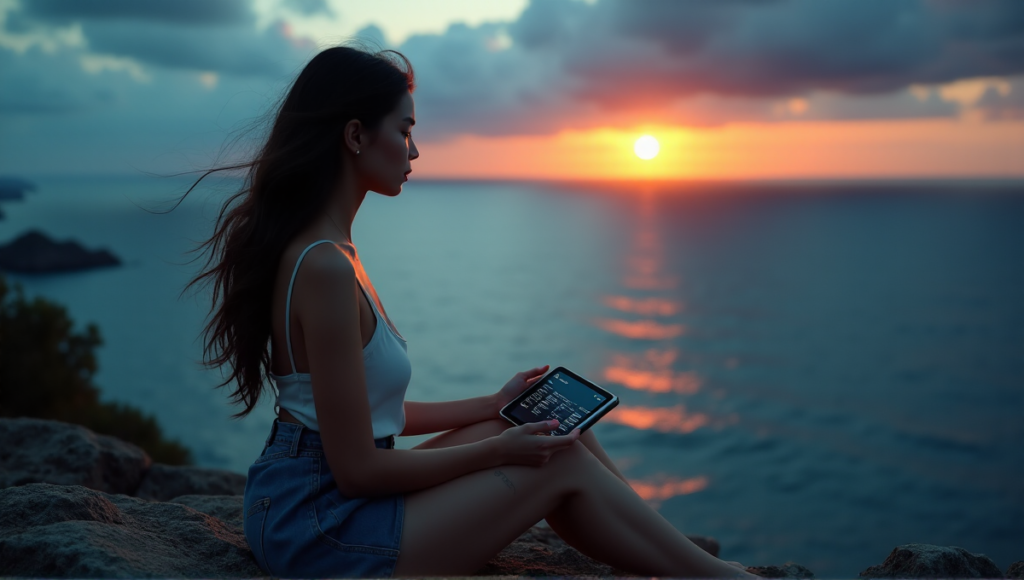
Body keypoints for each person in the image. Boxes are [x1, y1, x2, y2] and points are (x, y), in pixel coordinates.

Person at [185, 45, 757, 579]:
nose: (413, 150)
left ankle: (669, 548)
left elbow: (369, 414)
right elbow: (359, 468)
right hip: (319, 528)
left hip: (319, 498)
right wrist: (499, 451)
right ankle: (720, 577)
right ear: (356, 135)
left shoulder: (333, 253)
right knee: (551, 458)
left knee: (553, 428)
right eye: (405, 131)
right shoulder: (326, 268)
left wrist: (492, 408)